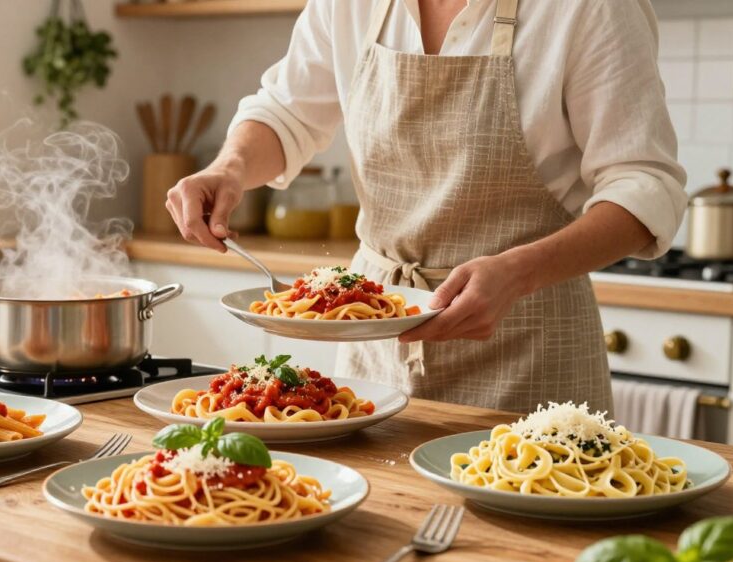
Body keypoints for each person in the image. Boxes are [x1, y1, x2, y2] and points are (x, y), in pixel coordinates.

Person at [164, 0, 686, 414]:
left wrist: (518, 272)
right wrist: (228, 168)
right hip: (376, 339)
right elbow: (285, 114)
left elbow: (644, 185)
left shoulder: (589, 7)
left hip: (531, 340)